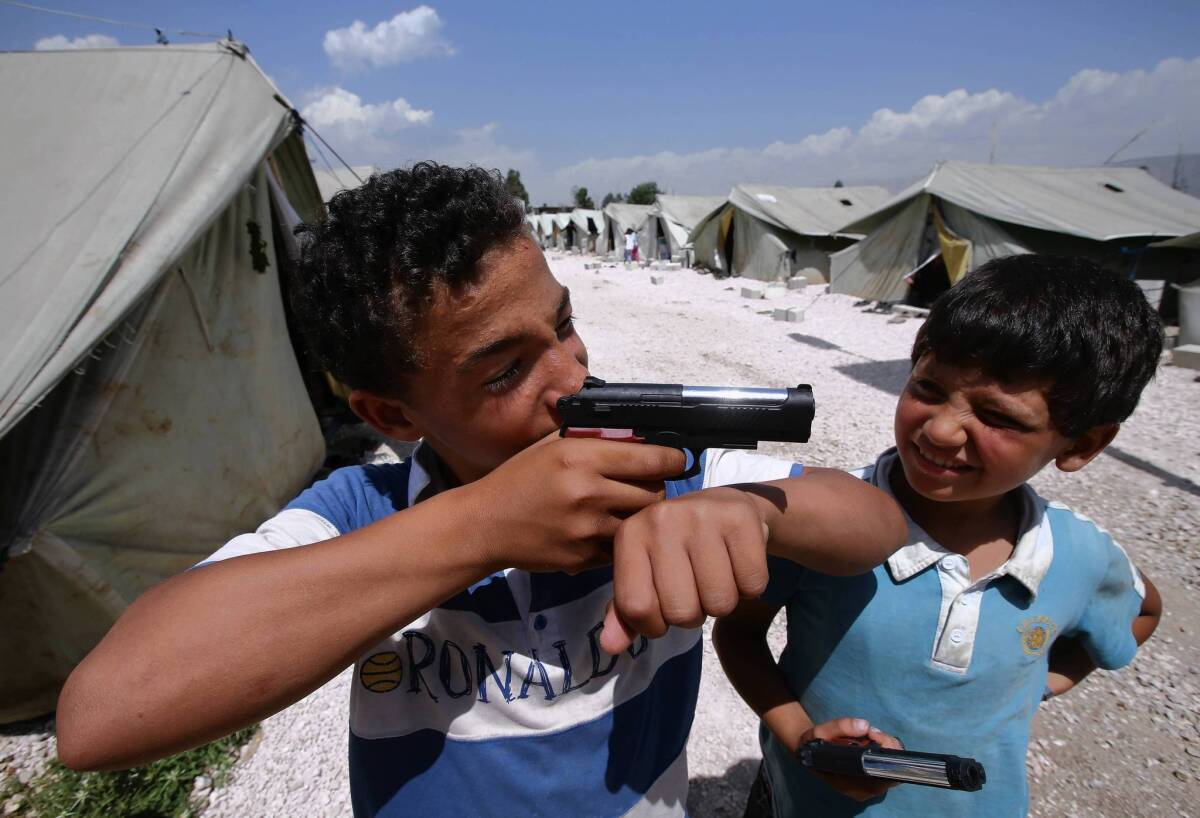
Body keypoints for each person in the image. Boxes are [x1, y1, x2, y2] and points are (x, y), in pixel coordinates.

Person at [55, 163, 907, 817]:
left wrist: (740, 507)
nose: (572, 374)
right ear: (389, 412)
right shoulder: (363, 514)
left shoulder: (657, 464)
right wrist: (480, 528)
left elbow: (874, 522)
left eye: (565, 324)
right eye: (505, 371)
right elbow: (102, 719)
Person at [714, 255, 1164, 818]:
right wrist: (803, 738)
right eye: (928, 387)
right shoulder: (822, 524)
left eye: (997, 417)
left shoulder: (1081, 556)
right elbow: (740, 636)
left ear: (1081, 445)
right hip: (802, 801)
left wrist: (1037, 685)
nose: (941, 429)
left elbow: (1143, 610)